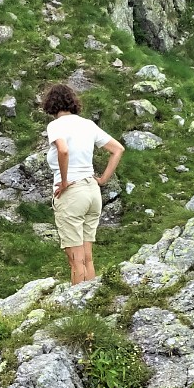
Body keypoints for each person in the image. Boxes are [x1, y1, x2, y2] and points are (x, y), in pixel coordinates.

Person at [42, 83, 125, 284]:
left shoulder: (56, 125)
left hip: (72, 194)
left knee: (76, 261)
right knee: (87, 258)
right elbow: (118, 149)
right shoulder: (88, 124)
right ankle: (90, 304)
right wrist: (103, 179)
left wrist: (63, 181)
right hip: (92, 192)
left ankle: (75, 307)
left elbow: (63, 150)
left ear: (51, 105)